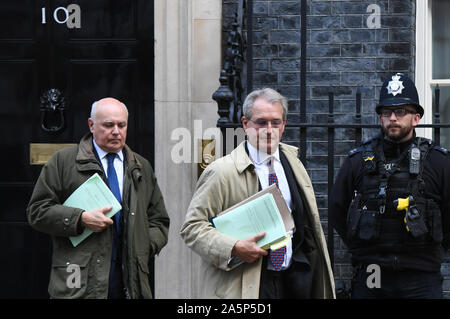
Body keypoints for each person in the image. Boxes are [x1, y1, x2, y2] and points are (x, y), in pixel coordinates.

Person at [180, 88, 335, 299]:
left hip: (295, 281)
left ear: (283, 125)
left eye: (275, 122)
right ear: (245, 124)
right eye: (261, 122)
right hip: (250, 284)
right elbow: (192, 228)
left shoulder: (294, 164)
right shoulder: (221, 171)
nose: (268, 129)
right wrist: (234, 247)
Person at [27, 97, 170, 299]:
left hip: (130, 281)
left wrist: (142, 247)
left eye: (122, 125)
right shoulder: (63, 161)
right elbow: (37, 211)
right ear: (91, 125)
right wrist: (80, 218)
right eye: (108, 125)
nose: (116, 131)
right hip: (79, 282)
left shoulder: (141, 166)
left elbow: (159, 220)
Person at [330, 73, 450, 298]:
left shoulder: (438, 161)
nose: (393, 118)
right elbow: (337, 209)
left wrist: (435, 251)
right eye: (387, 112)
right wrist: (361, 250)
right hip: (373, 275)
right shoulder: (357, 161)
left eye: (401, 111)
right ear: (380, 119)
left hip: (422, 276)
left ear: (416, 118)